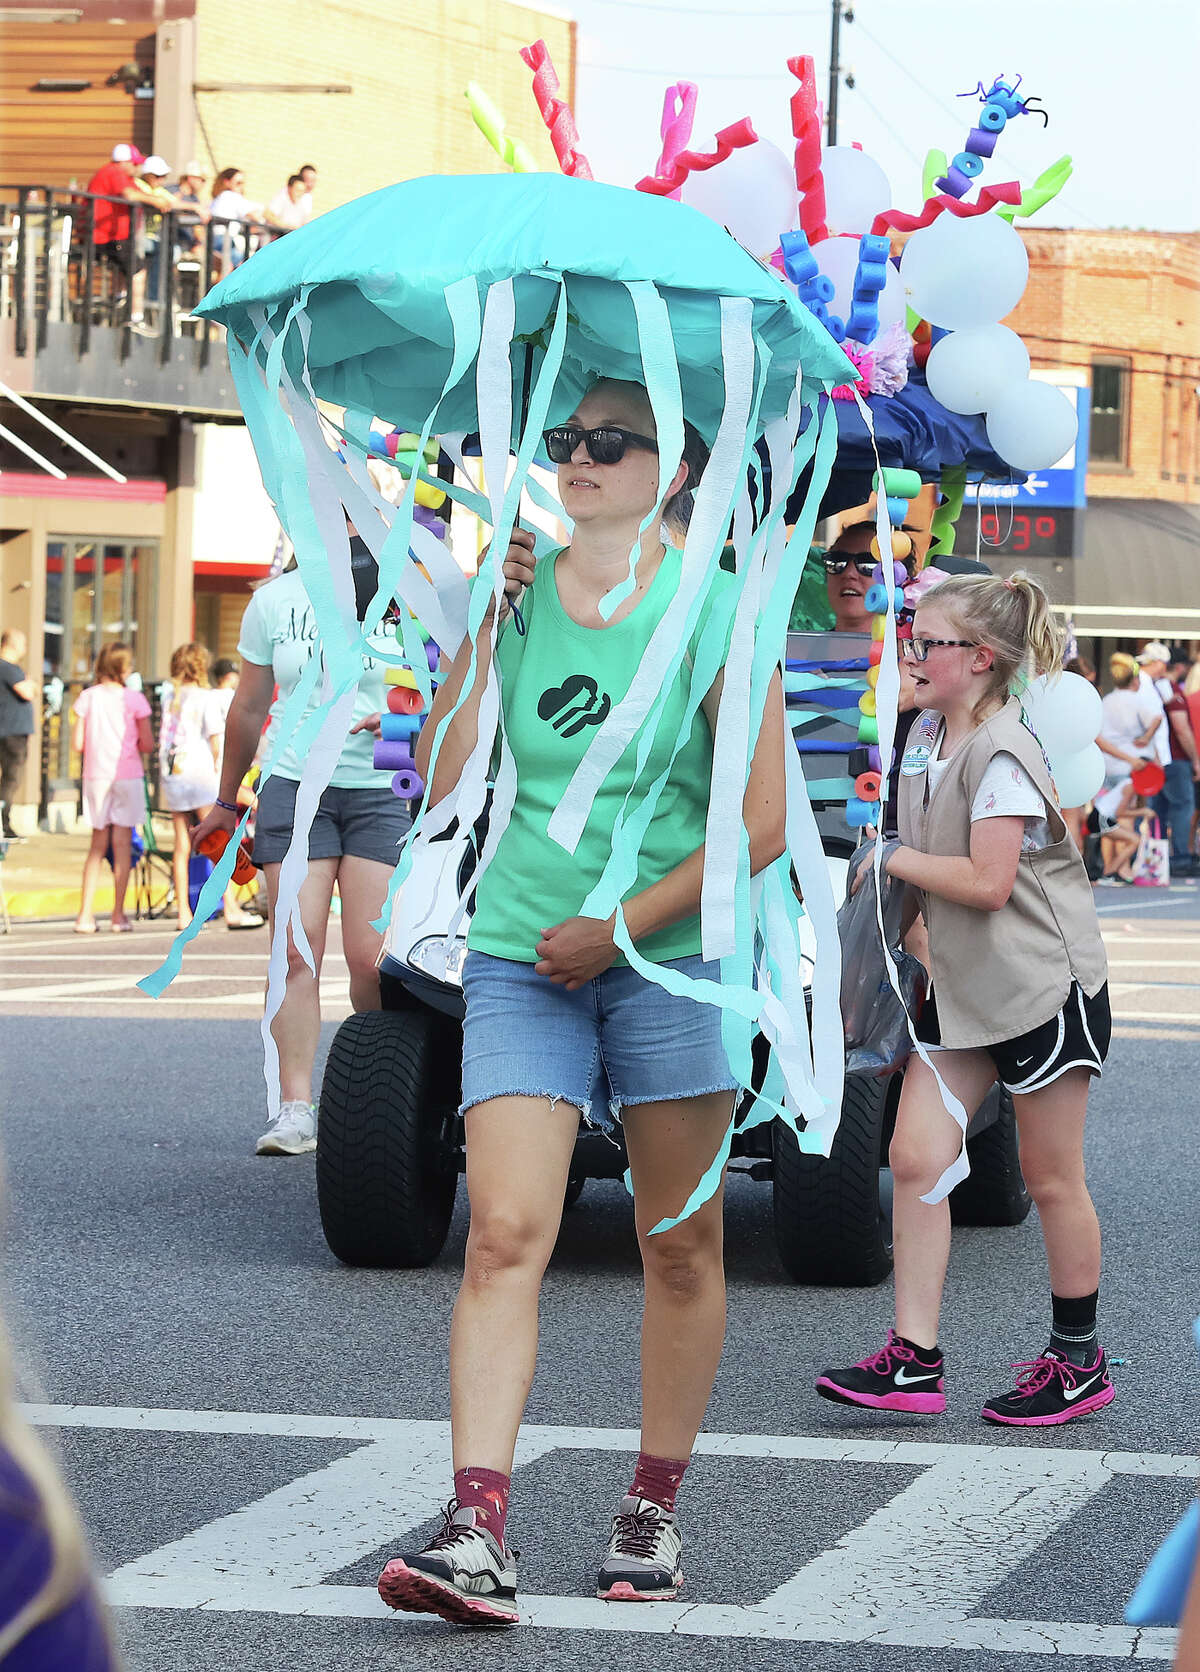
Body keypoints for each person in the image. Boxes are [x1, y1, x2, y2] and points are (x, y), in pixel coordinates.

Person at [376, 379, 786, 1628]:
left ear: (674, 470)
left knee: (680, 1245)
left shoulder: (712, 607)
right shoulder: (516, 593)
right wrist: (477, 631)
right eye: (564, 441)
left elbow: (760, 824)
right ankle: (476, 1524)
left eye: (611, 441)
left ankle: (652, 1505)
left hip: (664, 959)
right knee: (504, 1232)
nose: (580, 459)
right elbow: (445, 777)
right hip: (517, 955)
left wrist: (621, 925)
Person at [817, 571, 1114, 1427]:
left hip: (1039, 985)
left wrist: (891, 860)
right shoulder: (921, 736)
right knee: (915, 1158)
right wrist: (898, 942)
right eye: (911, 635)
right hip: (960, 986)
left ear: (979, 659)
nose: (909, 649)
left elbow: (986, 882)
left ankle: (1077, 1360)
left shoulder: (1006, 755)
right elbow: (921, 859)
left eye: (927, 640)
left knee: (1052, 1177)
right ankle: (914, 1359)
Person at [189, 551, 411, 1154]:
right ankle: (294, 1108)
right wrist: (226, 800)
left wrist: (398, 723)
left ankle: (381, 1100)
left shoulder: (407, 585)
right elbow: (250, 706)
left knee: (372, 959)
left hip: (382, 789)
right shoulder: (273, 600)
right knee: (294, 949)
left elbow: (444, 685)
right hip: (293, 787)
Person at [159, 642, 258, 931]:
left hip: (173, 774)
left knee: (181, 845)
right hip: (200, 774)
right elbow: (216, 741)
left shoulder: (170, 696)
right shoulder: (205, 698)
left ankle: (183, 914)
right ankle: (230, 907)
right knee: (217, 843)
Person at [71, 642, 152, 934]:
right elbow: (147, 743)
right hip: (128, 775)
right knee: (122, 847)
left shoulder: (87, 698)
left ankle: (84, 915)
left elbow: (78, 744)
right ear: (122, 669)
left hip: (96, 776)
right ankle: (118, 915)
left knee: (96, 846)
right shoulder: (135, 699)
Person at [83, 143, 164, 326]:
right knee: (138, 270)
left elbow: (138, 194)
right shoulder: (114, 172)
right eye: (135, 164)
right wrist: (156, 200)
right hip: (106, 237)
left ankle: (119, 302)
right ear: (126, 162)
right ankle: (135, 317)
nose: (138, 168)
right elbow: (130, 195)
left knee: (126, 265)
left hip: (112, 237)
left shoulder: (121, 176)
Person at [1153, 662, 1200, 877]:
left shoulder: (1155, 690)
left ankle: (1157, 858)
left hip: (1157, 759)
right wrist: (1195, 760)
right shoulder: (1174, 692)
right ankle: (1181, 857)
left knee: (1159, 811)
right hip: (1177, 759)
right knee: (1183, 808)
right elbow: (1181, 728)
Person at [0, 628, 37, 841]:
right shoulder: (9, 669)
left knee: (9, 779)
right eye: (23, 644)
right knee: (10, 780)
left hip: (9, 730)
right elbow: (28, 691)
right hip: (12, 733)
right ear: (12, 644)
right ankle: (3, 825)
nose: (25, 649)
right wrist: (31, 684)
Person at [208, 168, 265, 269]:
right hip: (224, 239)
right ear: (227, 182)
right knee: (245, 266)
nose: (241, 186)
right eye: (238, 183)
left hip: (213, 238)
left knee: (229, 267)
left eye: (243, 183)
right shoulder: (232, 196)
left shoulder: (219, 197)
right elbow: (255, 216)